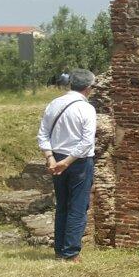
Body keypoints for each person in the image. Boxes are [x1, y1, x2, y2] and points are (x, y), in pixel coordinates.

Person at [36, 68, 97, 262]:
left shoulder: (54, 103)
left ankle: (59, 250)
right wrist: (67, 162)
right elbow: (86, 142)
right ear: (88, 88)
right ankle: (71, 253)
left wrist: (51, 159)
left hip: (57, 159)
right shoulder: (86, 108)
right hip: (78, 161)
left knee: (62, 205)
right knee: (78, 206)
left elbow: (43, 134)